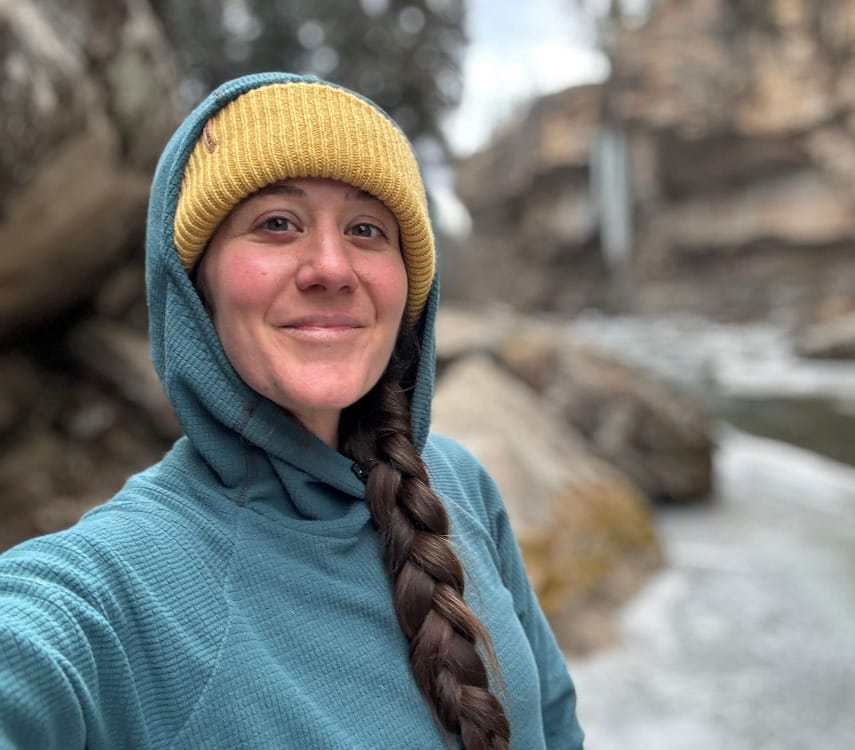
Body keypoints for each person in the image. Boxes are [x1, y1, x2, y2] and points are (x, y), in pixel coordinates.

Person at [0, 72, 584, 749]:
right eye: (277, 224)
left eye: (367, 229)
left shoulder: (459, 489)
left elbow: (560, 726)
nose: (331, 267)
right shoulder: (117, 589)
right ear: (195, 286)